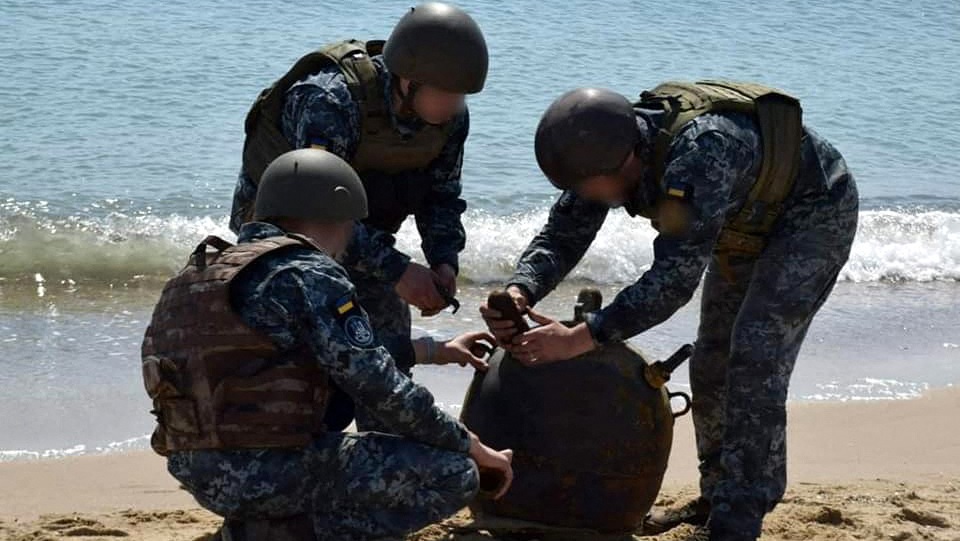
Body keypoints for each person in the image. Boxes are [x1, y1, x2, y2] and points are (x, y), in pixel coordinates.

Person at [480, 82, 858, 541]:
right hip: (743, 219)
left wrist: (581, 337)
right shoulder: (599, 154)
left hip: (812, 214)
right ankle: (714, 499)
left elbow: (672, 282)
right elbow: (563, 235)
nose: (585, 195)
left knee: (756, 357)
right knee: (713, 359)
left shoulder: (703, 152)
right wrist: (521, 290)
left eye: (587, 186)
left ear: (626, 160)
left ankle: (736, 523)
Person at [143, 149, 512, 540]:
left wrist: (433, 350)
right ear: (336, 213)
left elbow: (296, 355)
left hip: (194, 470)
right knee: (454, 474)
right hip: (264, 471)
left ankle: (258, 524)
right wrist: (470, 446)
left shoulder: (195, 275)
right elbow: (381, 387)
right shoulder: (309, 271)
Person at [230, 2, 489, 391]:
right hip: (284, 241)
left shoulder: (450, 119)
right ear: (409, 80)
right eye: (447, 94)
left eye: (462, 96)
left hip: (362, 231)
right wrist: (398, 270)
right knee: (302, 364)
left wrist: (443, 261)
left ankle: (385, 446)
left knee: (387, 362)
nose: (456, 106)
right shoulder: (329, 100)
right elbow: (313, 215)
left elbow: (441, 195)